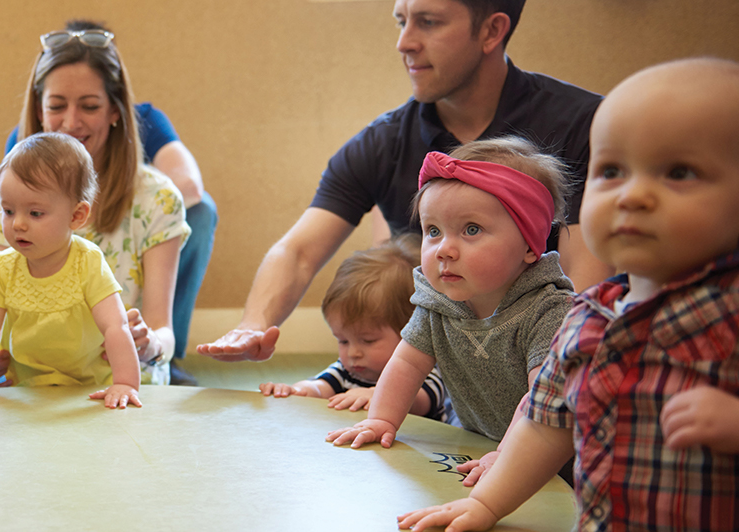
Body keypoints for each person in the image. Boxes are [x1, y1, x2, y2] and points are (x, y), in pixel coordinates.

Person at [397, 57, 739, 532]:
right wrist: (487, 505)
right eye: (612, 170)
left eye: (678, 172)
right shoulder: (585, 317)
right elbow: (543, 426)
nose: (632, 196)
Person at [198, 0, 609, 364]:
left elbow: (585, 277)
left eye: (428, 22)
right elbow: (299, 250)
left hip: (545, 360)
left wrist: (553, 384)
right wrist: (254, 323)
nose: (405, 42)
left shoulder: (583, 124)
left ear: (491, 31)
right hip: (433, 363)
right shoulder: (381, 143)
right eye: (401, 21)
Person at [326, 137, 573, 455]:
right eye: (433, 231)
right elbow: (407, 363)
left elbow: (541, 399)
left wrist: (508, 458)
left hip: (548, 459)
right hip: (474, 439)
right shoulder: (438, 302)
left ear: (529, 244)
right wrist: (382, 420)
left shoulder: (550, 311)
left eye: (471, 230)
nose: (444, 249)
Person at [3, 20, 216, 385]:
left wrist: (150, 344)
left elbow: (162, 329)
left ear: (116, 110)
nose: (70, 122)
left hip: (120, 386)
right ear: (39, 111)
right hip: (38, 382)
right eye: (57, 106)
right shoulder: (9, 195)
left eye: (89, 106)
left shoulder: (157, 198)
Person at [0, 133, 143, 408]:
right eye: (8, 211)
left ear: (76, 216)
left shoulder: (87, 261)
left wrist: (125, 382)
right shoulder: (2, 267)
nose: (18, 224)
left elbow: (115, 325)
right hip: (25, 387)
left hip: (88, 385)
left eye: (35, 214)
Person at [261, 236, 452, 424]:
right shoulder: (348, 371)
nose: (353, 353)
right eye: (343, 341)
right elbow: (319, 388)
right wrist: (295, 391)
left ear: (411, 332)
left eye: (368, 340)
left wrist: (377, 395)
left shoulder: (423, 373)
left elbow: (420, 401)